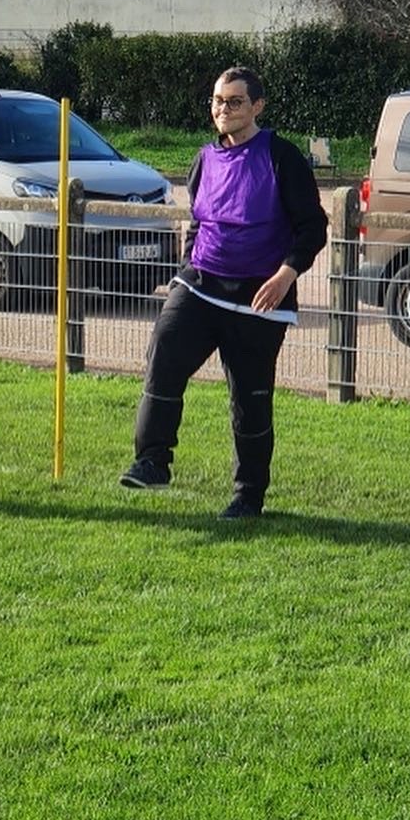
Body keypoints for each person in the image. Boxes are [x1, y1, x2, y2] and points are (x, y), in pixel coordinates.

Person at [120, 66, 328, 520]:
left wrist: (285, 276)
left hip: (259, 298)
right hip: (201, 286)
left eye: (234, 102)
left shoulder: (281, 157)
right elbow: (198, 220)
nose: (223, 109)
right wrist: (187, 267)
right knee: (164, 353)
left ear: (257, 106)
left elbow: (314, 227)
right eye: (217, 100)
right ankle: (152, 460)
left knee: (249, 399)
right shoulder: (203, 159)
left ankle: (248, 497)